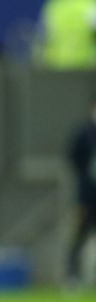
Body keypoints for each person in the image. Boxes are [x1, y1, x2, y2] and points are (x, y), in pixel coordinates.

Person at [66, 100, 96, 287]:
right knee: (79, 236)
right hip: (87, 196)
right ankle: (72, 276)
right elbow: (73, 157)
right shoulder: (84, 132)